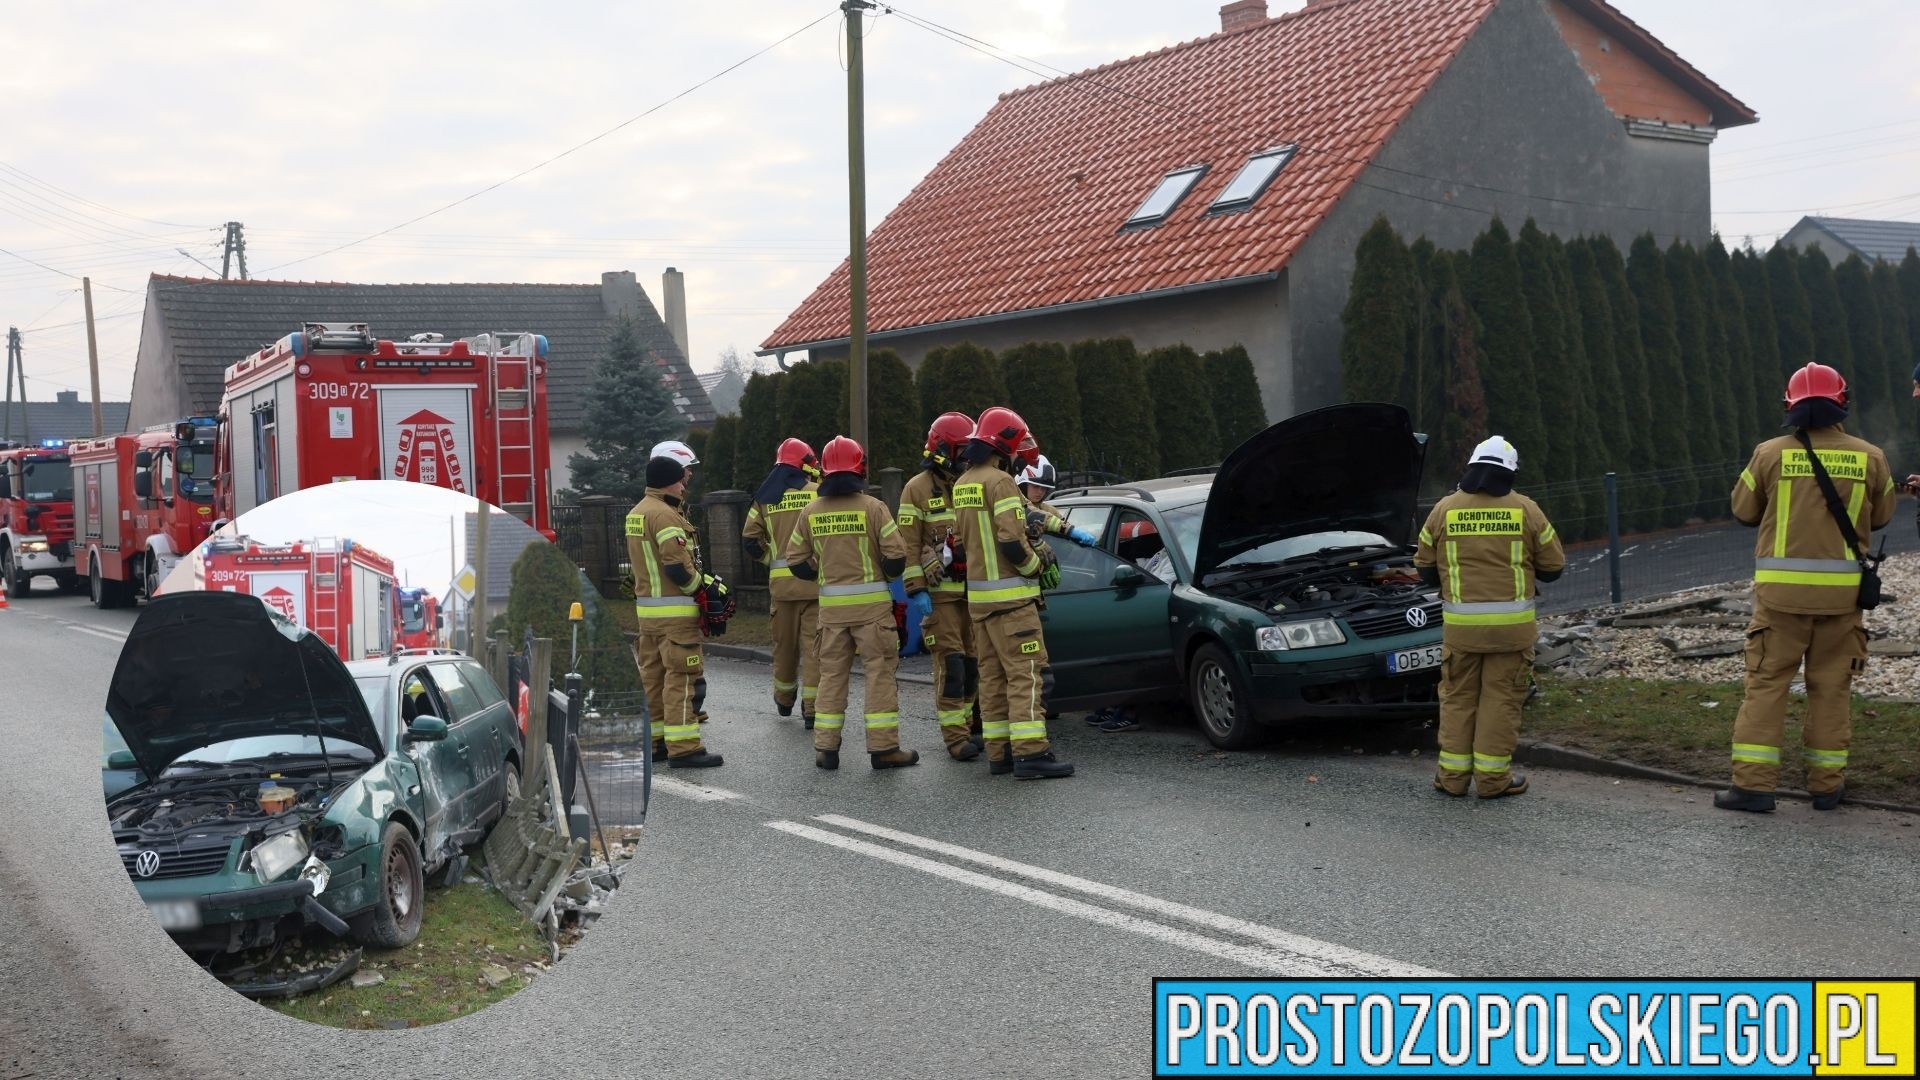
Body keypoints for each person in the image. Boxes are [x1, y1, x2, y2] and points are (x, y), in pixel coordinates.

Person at [1719, 363, 1897, 813]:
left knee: (1766, 686)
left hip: (1779, 602)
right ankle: (1826, 787)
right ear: (1843, 402)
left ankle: (1754, 788)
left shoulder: (1768, 454)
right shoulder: (1871, 457)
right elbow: (1880, 517)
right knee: (1831, 690)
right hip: (1841, 603)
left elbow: (1742, 510)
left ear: (1789, 406)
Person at [1414, 436, 1565, 799]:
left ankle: (1451, 779)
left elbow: (1424, 569)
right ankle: (1493, 781)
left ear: (1471, 468)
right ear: (1509, 473)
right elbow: (1553, 567)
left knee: (1457, 699)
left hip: (1461, 633)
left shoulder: (1443, 509)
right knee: (1501, 700)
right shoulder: (1526, 510)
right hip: (1511, 635)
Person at [783, 436, 917, 771]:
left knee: (831, 676)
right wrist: (883, 573)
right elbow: (897, 556)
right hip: (873, 614)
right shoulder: (873, 508)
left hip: (831, 614)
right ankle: (884, 749)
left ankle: (825, 749)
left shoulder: (811, 511)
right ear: (860, 468)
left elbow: (796, 560)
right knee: (879, 675)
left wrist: (824, 575)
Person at [953, 407, 1073, 779]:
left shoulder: (963, 483)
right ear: (1003, 446)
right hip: (1011, 602)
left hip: (980, 603)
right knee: (1026, 674)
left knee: (992, 679)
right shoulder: (1001, 482)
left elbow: (960, 543)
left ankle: (1000, 753)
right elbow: (1010, 541)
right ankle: (1032, 754)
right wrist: (1036, 568)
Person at [625, 453, 724, 769]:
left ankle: (656, 743)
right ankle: (684, 747)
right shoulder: (666, 516)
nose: (684, 486)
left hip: (648, 616)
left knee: (652, 679)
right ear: (671, 480)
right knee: (681, 679)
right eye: (682, 479)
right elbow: (677, 569)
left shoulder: (637, 513)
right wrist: (705, 592)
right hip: (675, 616)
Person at [898, 412, 984, 760]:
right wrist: (917, 587)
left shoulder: (972, 483)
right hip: (940, 598)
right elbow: (906, 543)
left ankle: (969, 728)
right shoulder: (916, 489)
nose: (965, 456)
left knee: (974, 666)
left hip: (975, 593)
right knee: (952, 667)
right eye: (960, 449)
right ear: (942, 449)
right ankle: (955, 739)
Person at [743, 438, 821, 726]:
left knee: (784, 648)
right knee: (816, 650)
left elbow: (750, 541)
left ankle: (784, 699)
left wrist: (772, 560)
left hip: (782, 590)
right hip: (815, 585)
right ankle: (812, 708)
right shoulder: (819, 493)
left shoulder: (765, 497)